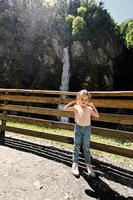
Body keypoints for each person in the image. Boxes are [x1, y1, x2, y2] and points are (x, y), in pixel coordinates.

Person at [64, 89, 99, 177]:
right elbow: (65, 108)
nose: (84, 101)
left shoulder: (89, 108)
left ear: (88, 100)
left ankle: (88, 165)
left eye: (86, 99)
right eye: (82, 99)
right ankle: (75, 164)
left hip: (87, 129)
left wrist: (93, 106)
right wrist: (73, 102)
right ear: (78, 99)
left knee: (86, 147)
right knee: (76, 146)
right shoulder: (76, 107)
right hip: (78, 129)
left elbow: (97, 115)